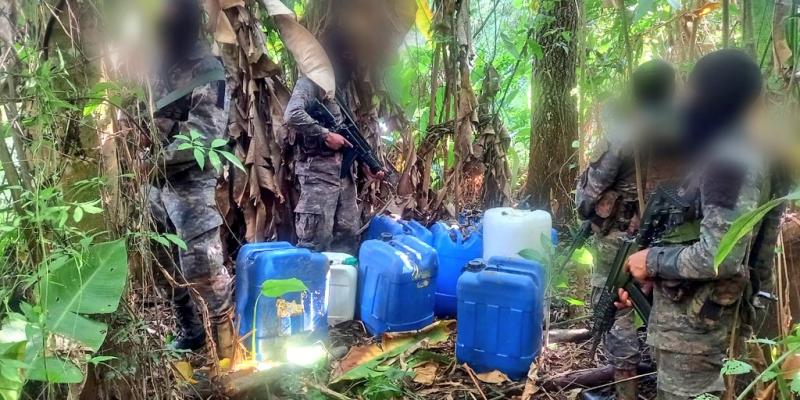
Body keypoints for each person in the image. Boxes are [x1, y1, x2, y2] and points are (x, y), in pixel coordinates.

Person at [618, 49, 782, 399]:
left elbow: (719, 254)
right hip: (695, 324)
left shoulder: (729, 159)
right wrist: (651, 275)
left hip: (698, 333)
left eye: (691, 91)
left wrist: (651, 261)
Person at [576, 59, 682, 400]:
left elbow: (590, 193)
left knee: (615, 307)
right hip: (674, 241)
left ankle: (625, 392)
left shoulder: (626, 134)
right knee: (668, 309)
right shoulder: (688, 131)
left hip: (623, 239)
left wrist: (586, 207)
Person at [148, 0, 235, 358]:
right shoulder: (157, 67)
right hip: (156, 186)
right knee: (163, 262)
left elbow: (205, 134)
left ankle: (229, 345)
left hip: (191, 184)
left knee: (203, 266)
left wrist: (154, 159)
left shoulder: (207, 67)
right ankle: (192, 332)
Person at [284, 32, 383, 254]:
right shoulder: (311, 82)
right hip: (317, 175)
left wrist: (365, 163)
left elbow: (347, 133)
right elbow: (292, 114)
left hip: (343, 178)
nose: (352, 61)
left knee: (347, 238)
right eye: (348, 56)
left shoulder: (340, 88)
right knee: (314, 243)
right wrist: (325, 134)